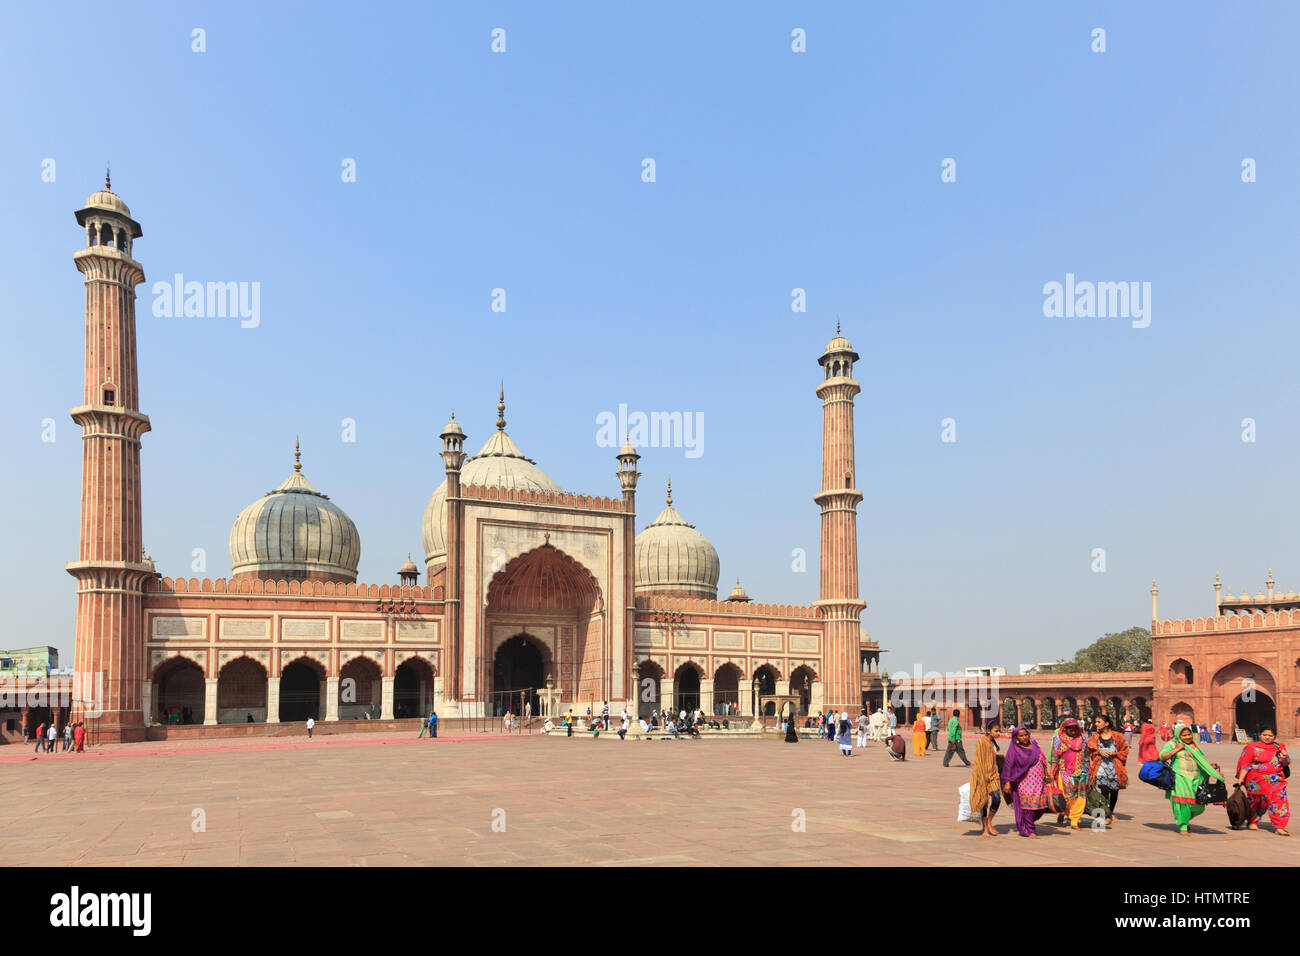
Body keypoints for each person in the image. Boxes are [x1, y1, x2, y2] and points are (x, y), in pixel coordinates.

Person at [1159, 722, 1225, 835]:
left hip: (1195, 778)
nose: (1187, 737)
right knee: (1182, 802)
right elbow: (1162, 757)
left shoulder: (1195, 745)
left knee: (1199, 806)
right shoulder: (1173, 744)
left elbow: (1200, 761)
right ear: (1178, 736)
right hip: (1180, 777)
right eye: (1183, 735)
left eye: (1188, 734)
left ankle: (1184, 819)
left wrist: (1209, 767)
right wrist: (1176, 749)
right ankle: (1183, 826)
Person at [1235, 727, 1289, 835]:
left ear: (1274, 737)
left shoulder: (1279, 747)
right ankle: (1252, 821)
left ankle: (1280, 826)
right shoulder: (1251, 747)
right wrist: (1240, 780)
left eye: (1270, 735)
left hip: (1276, 779)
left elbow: (1286, 763)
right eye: (1265, 735)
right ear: (1260, 735)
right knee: (1257, 802)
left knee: (1279, 801)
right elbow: (1245, 764)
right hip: (1255, 780)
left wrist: (1284, 757)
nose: (1267, 737)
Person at [1001, 726, 1048, 837]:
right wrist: (1007, 782)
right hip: (1025, 781)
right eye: (1021, 736)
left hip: (1039, 780)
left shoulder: (1035, 745)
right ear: (1016, 737)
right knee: (1029, 806)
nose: (1024, 737)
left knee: (1040, 807)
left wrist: (1047, 773)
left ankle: (1026, 822)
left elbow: (1043, 759)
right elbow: (1008, 765)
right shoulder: (1014, 749)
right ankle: (1030, 830)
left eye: (1025, 735)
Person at [1087, 714, 1129, 828]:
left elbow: (1125, 750)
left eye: (1098, 722)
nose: (1096, 724)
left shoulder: (1118, 736)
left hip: (1114, 766)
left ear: (1106, 723)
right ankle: (1107, 815)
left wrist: (1114, 754)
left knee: (1114, 791)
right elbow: (1090, 749)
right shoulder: (1095, 737)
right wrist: (1099, 752)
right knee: (1104, 789)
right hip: (1100, 766)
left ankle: (1111, 810)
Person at [1048, 718, 1089, 829]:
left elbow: (1086, 756)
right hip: (1064, 772)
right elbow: (1054, 757)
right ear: (1064, 728)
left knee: (1080, 797)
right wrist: (1051, 772)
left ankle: (1075, 820)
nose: (1073, 730)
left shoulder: (1083, 739)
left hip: (1082, 772)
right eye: (1070, 728)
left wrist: (1090, 773)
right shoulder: (1058, 740)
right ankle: (1063, 811)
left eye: (1075, 727)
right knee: (1067, 796)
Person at [970, 719, 1003, 837]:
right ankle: (984, 828)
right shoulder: (981, 742)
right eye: (996, 731)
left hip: (993, 776)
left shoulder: (994, 743)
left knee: (997, 799)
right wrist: (982, 777)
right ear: (988, 731)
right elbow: (980, 760)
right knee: (984, 802)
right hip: (982, 775)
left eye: (1000, 731)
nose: (999, 733)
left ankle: (989, 821)